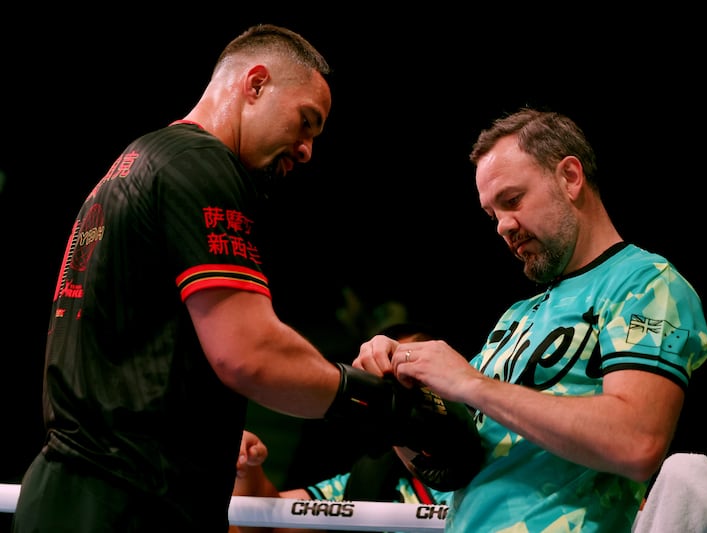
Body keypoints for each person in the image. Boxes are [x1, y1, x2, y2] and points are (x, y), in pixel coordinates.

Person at [12, 24, 480, 533]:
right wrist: (388, 409)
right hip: (127, 500)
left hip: (82, 491)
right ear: (255, 83)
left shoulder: (135, 164)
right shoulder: (201, 165)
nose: (307, 150)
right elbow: (249, 353)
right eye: (306, 122)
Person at [352, 107, 707, 532]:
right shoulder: (516, 316)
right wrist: (397, 401)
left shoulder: (646, 283)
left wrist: (472, 383)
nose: (503, 227)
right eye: (492, 215)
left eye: (512, 200)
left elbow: (638, 441)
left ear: (570, 177)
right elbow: (452, 469)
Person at [229, 322, 454, 533]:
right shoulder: (370, 482)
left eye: (414, 375)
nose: (406, 394)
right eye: (392, 385)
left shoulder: (490, 448)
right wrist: (246, 465)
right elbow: (266, 525)